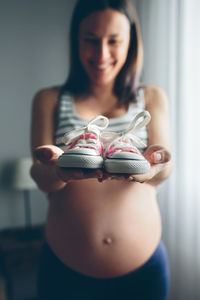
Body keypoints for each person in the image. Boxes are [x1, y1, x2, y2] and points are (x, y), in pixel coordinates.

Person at [30, 0, 172, 299]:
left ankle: (121, 147)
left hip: (143, 271)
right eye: (91, 40)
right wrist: (57, 169)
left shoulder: (152, 97)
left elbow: (163, 171)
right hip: (64, 270)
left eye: (114, 41)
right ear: (75, 40)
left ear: (131, 42)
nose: (102, 54)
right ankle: (88, 142)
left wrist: (154, 165)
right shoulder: (49, 99)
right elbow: (42, 178)